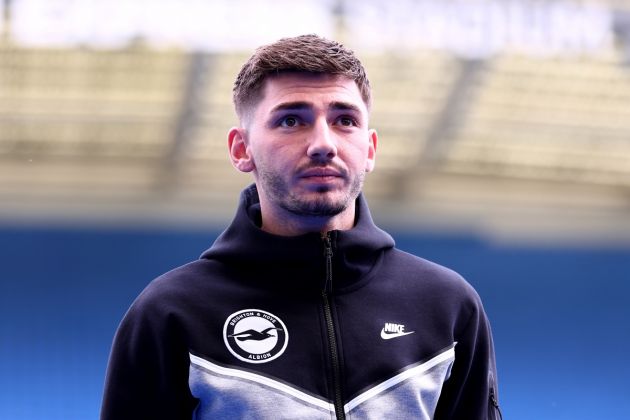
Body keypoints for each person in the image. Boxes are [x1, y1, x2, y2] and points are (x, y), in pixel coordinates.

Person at [101, 34, 501, 420]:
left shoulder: (447, 305)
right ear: (242, 150)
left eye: (345, 120)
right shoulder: (172, 311)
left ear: (370, 149)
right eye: (292, 120)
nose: (323, 143)